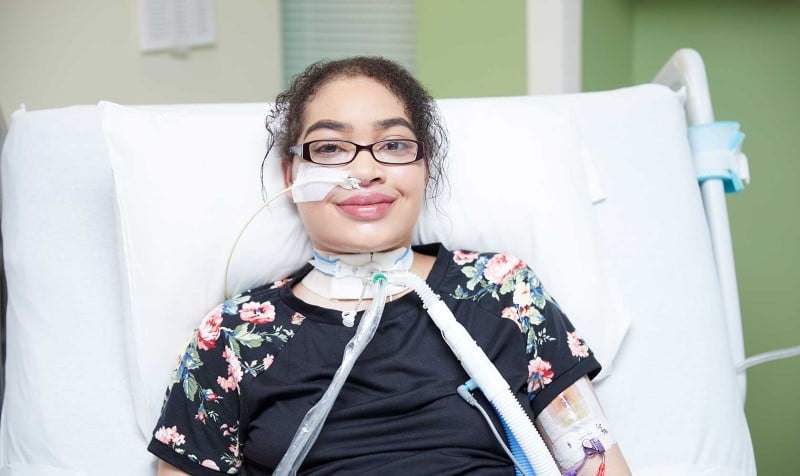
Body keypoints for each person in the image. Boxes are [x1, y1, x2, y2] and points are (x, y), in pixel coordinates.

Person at [149, 56, 631, 475]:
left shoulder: (502, 291)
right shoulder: (232, 335)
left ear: (426, 167)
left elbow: (594, 459)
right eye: (330, 148)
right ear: (291, 175)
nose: (365, 171)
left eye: (395, 145)